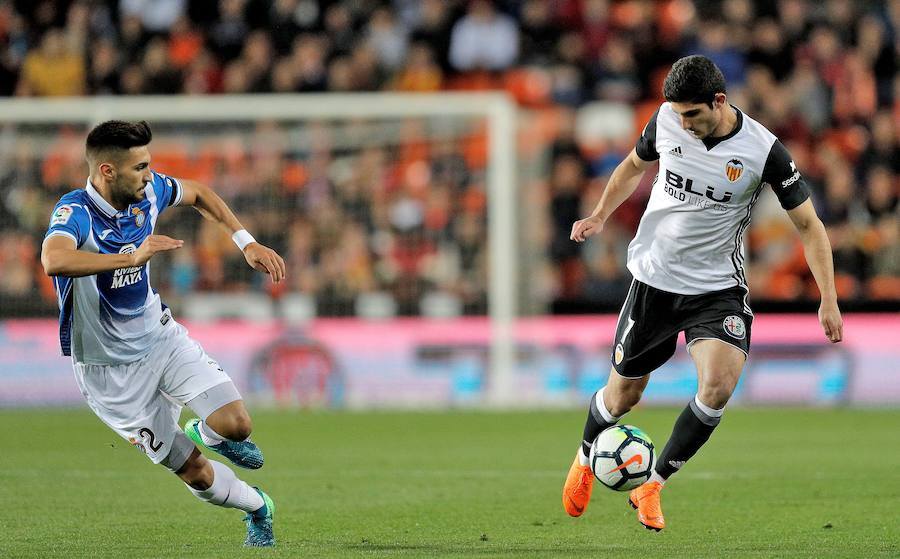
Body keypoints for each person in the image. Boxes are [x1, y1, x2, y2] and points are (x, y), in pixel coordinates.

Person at [561, 55, 843, 531]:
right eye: (677, 113)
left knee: (717, 386)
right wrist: (600, 215)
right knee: (623, 395)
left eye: (692, 114)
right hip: (655, 279)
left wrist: (828, 298)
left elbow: (810, 227)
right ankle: (586, 457)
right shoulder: (666, 121)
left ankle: (652, 485)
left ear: (719, 101)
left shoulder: (763, 151)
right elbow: (633, 166)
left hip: (717, 288)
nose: (683, 123)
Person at [40, 120, 286, 547]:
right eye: (139, 167)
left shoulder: (149, 193)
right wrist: (131, 257)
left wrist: (245, 242)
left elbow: (198, 193)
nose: (150, 175)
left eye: (149, 164)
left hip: (160, 340)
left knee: (237, 425)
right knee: (195, 472)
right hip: (110, 375)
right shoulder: (75, 211)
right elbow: (53, 260)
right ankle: (258, 507)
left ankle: (204, 433)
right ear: (106, 171)